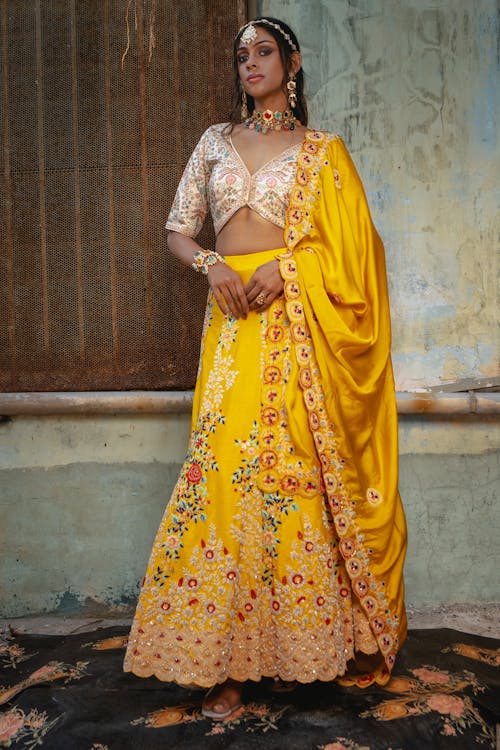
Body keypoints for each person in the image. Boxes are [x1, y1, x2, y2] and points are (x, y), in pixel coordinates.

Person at [123, 16, 407, 720]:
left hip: (296, 334)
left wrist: (288, 267)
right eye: (241, 55)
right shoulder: (214, 143)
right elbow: (177, 231)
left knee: (291, 479)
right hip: (230, 330)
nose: (250, 63)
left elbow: (356, 253)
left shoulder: (321, 152)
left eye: (264, 52)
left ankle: (290, 654)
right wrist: (213, 263)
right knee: (221, 477)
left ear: (293, 62)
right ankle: (222, 663)